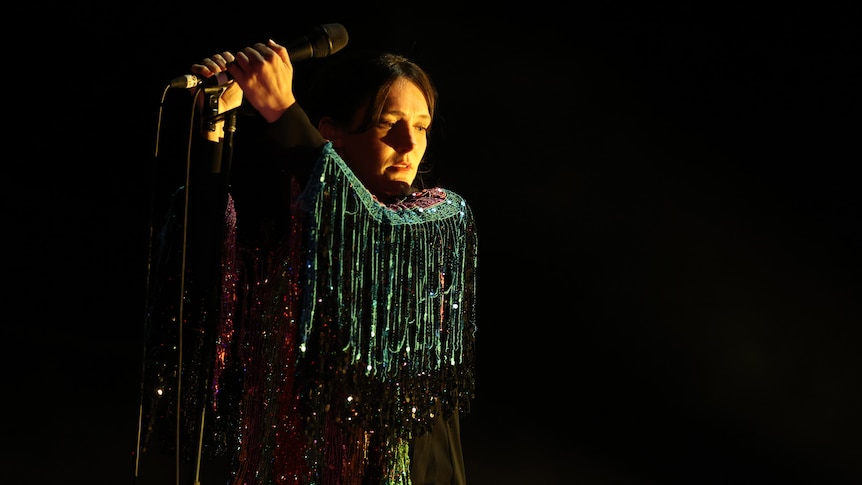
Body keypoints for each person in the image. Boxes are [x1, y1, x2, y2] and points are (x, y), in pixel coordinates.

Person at [137, 38, 478, 485]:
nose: (409, 143)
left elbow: (369, 229)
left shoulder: (434, 219)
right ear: (331, 132)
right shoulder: (293, 228)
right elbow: (203, 291)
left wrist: (282, 111)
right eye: (387, 123)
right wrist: (213, 128)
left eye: (422, 126)